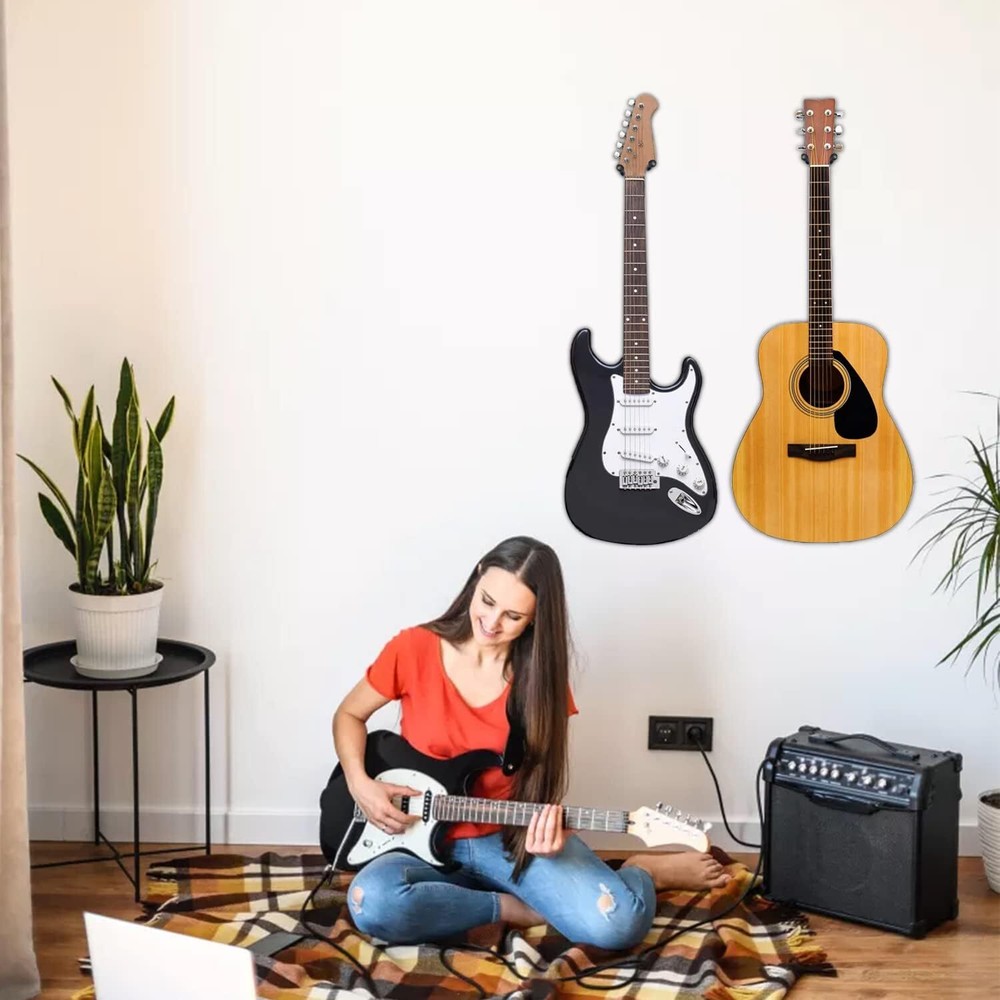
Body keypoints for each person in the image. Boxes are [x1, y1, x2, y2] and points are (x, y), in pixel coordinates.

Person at [331, 535, 729, 949]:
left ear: (537, 618)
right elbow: (349, 715)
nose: (491, 622)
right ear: (477, 576)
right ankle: (506, 907)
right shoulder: (413, 648)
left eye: (513, 616)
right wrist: (361, 784)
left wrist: (546, 833)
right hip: (415, 838)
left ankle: (643, 871)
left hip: (507, 838)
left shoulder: (541, 686)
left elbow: (542, 781)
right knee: (370, 902)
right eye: (486, 601)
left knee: (617, 924)